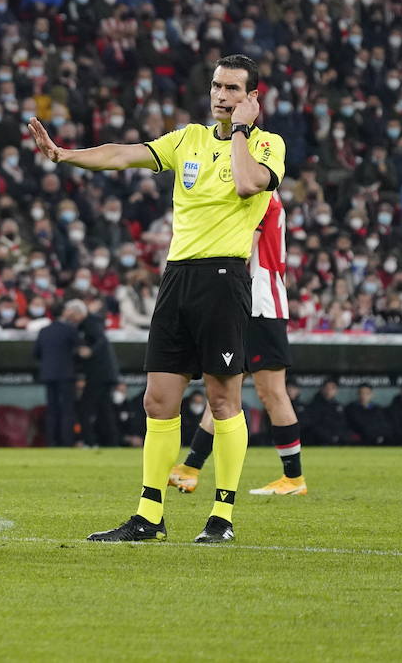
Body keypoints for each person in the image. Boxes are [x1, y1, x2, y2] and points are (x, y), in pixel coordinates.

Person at [31, 53, 286, 544]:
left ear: (253, 99)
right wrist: (65, 155)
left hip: (224, 277)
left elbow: (249, 183)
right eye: (217, 86)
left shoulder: (268, 145)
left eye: (234, 89)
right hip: (178, 278)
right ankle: (149, 516)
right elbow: (121, 153)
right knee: (158, 399)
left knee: (222, 400)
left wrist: (239, 132)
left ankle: (222, 518)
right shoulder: (186, 139)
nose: (221, 96)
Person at [170, 192, 309, 496]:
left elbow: (243, 248)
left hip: (259, 302)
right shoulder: (266, 195)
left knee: (271, 391)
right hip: (250, 303)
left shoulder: (260, 196)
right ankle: (190, 469)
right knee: (224, 389)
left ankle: (294, 478)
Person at [34, 300, 84, 447]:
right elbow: (81, 350)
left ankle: (51, 442)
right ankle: (67, 442)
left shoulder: (44, 331)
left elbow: (36, 353)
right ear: (64, 312)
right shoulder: (70, 330)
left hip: (48, 374)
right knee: (67, 410)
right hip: (66, 375)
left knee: (52, 410)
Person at [77, 302, 120, 446]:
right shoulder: (93, 322)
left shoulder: (90, 322)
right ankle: (112, 442)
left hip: (99, 374)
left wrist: (90, 351)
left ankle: (89, 442)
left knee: (85, 408)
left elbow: (101, 339)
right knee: (105, 409)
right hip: (106, 374)